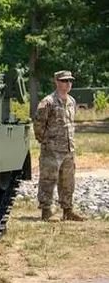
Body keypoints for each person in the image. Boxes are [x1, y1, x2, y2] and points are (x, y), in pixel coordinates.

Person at [34, 70, 85, 222]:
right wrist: (45, 142)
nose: (68, 83)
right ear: (56, 82)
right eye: (64, 81)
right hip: (52, 150)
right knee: (48, 180)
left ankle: (67, 210)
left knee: (68, 181)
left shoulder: (72, 101)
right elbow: (38, 125)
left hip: (68, 149)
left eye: (70, 81)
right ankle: (46, 211)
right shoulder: (48, 102)